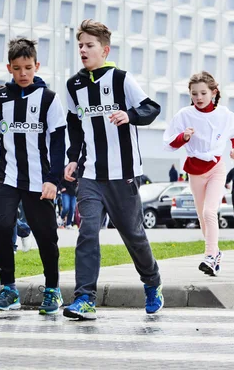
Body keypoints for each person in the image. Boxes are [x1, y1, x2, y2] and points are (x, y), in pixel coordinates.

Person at [63, 19, 163, 320]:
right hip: (91, 174)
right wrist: (71, 158)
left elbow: (151, 109)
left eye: (89, 45)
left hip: (124, 174)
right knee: (87, 232)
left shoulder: (121, 79)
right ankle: (84, 298)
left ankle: (152, 282)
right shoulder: (74, 85)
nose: (83, 50)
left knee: (133, 236)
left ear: (104, 50)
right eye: (80, 45)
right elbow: (74, 125)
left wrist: (128, 114)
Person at [0, 38, 66, 314]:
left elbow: (58, 142)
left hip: (39, 180)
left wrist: (53, 180)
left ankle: (53, 290)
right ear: (9, 67)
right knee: (2, 227)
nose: (23, 73)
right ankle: (8, 289)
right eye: (17, 68)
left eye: (28, 67)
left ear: (37, 66)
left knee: (46, 235)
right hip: (6, 178)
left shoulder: (49, 99)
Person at [163, 71, 234, 276]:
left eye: (203, 93)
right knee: (201, 216)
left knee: (209, 212)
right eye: (194, 93)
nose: (198, 97)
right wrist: (184, 137)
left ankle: (209, 255)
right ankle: (215, 255)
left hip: (216, 167)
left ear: (213, 92)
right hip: (195, 170)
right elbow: (169, 142)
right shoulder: (184, 115)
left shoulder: (223, 114)